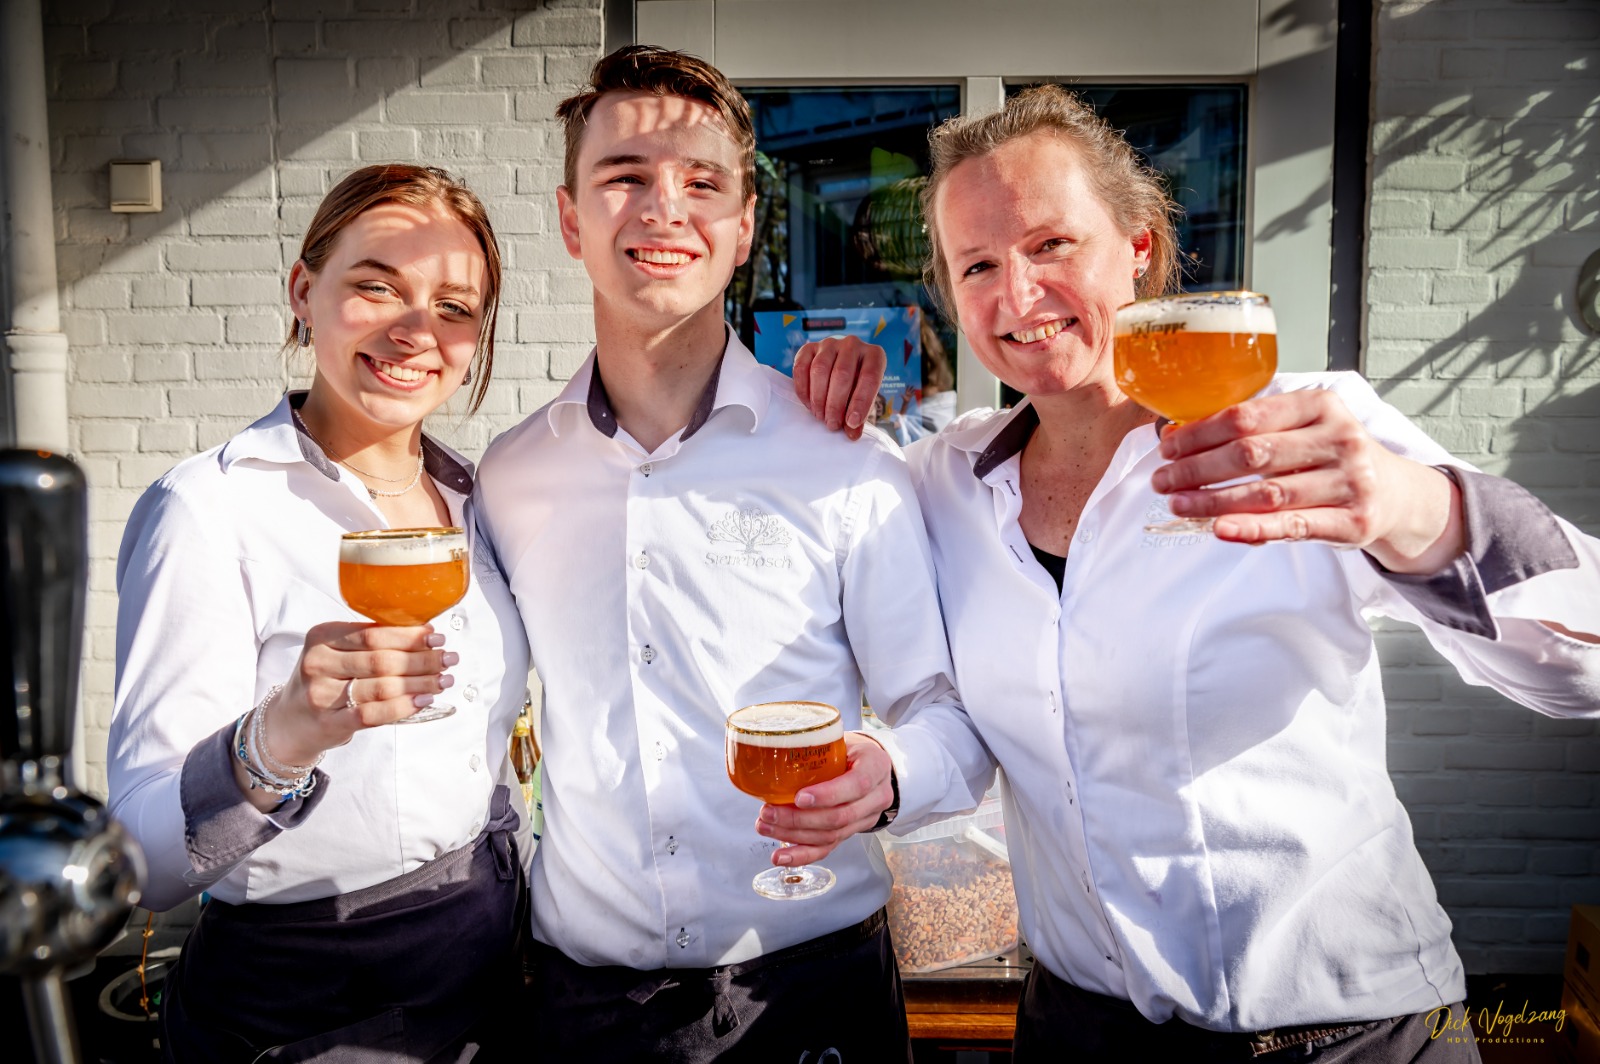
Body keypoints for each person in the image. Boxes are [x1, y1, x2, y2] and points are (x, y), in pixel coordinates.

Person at [790, 85, 1600, 1062]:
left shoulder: (1301, 427)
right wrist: (813, 393)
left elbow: (1582, 666)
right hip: (1079, 1031)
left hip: (1342, 1033)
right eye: (978, 265)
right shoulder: (943, 482)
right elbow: (958, 718)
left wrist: (1410, 505)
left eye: (1051, 245)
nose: (1016, 296)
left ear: (1137, 247)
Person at [472, 45, 990, 1062]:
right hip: (579, 1010)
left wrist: (884, 771)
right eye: (624, 177)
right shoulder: (510, 477)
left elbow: (950, 717)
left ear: (744, 225)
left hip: (813, 997)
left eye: (701, 183)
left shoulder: (846, 463)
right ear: (573, 219)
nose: (664, 208)